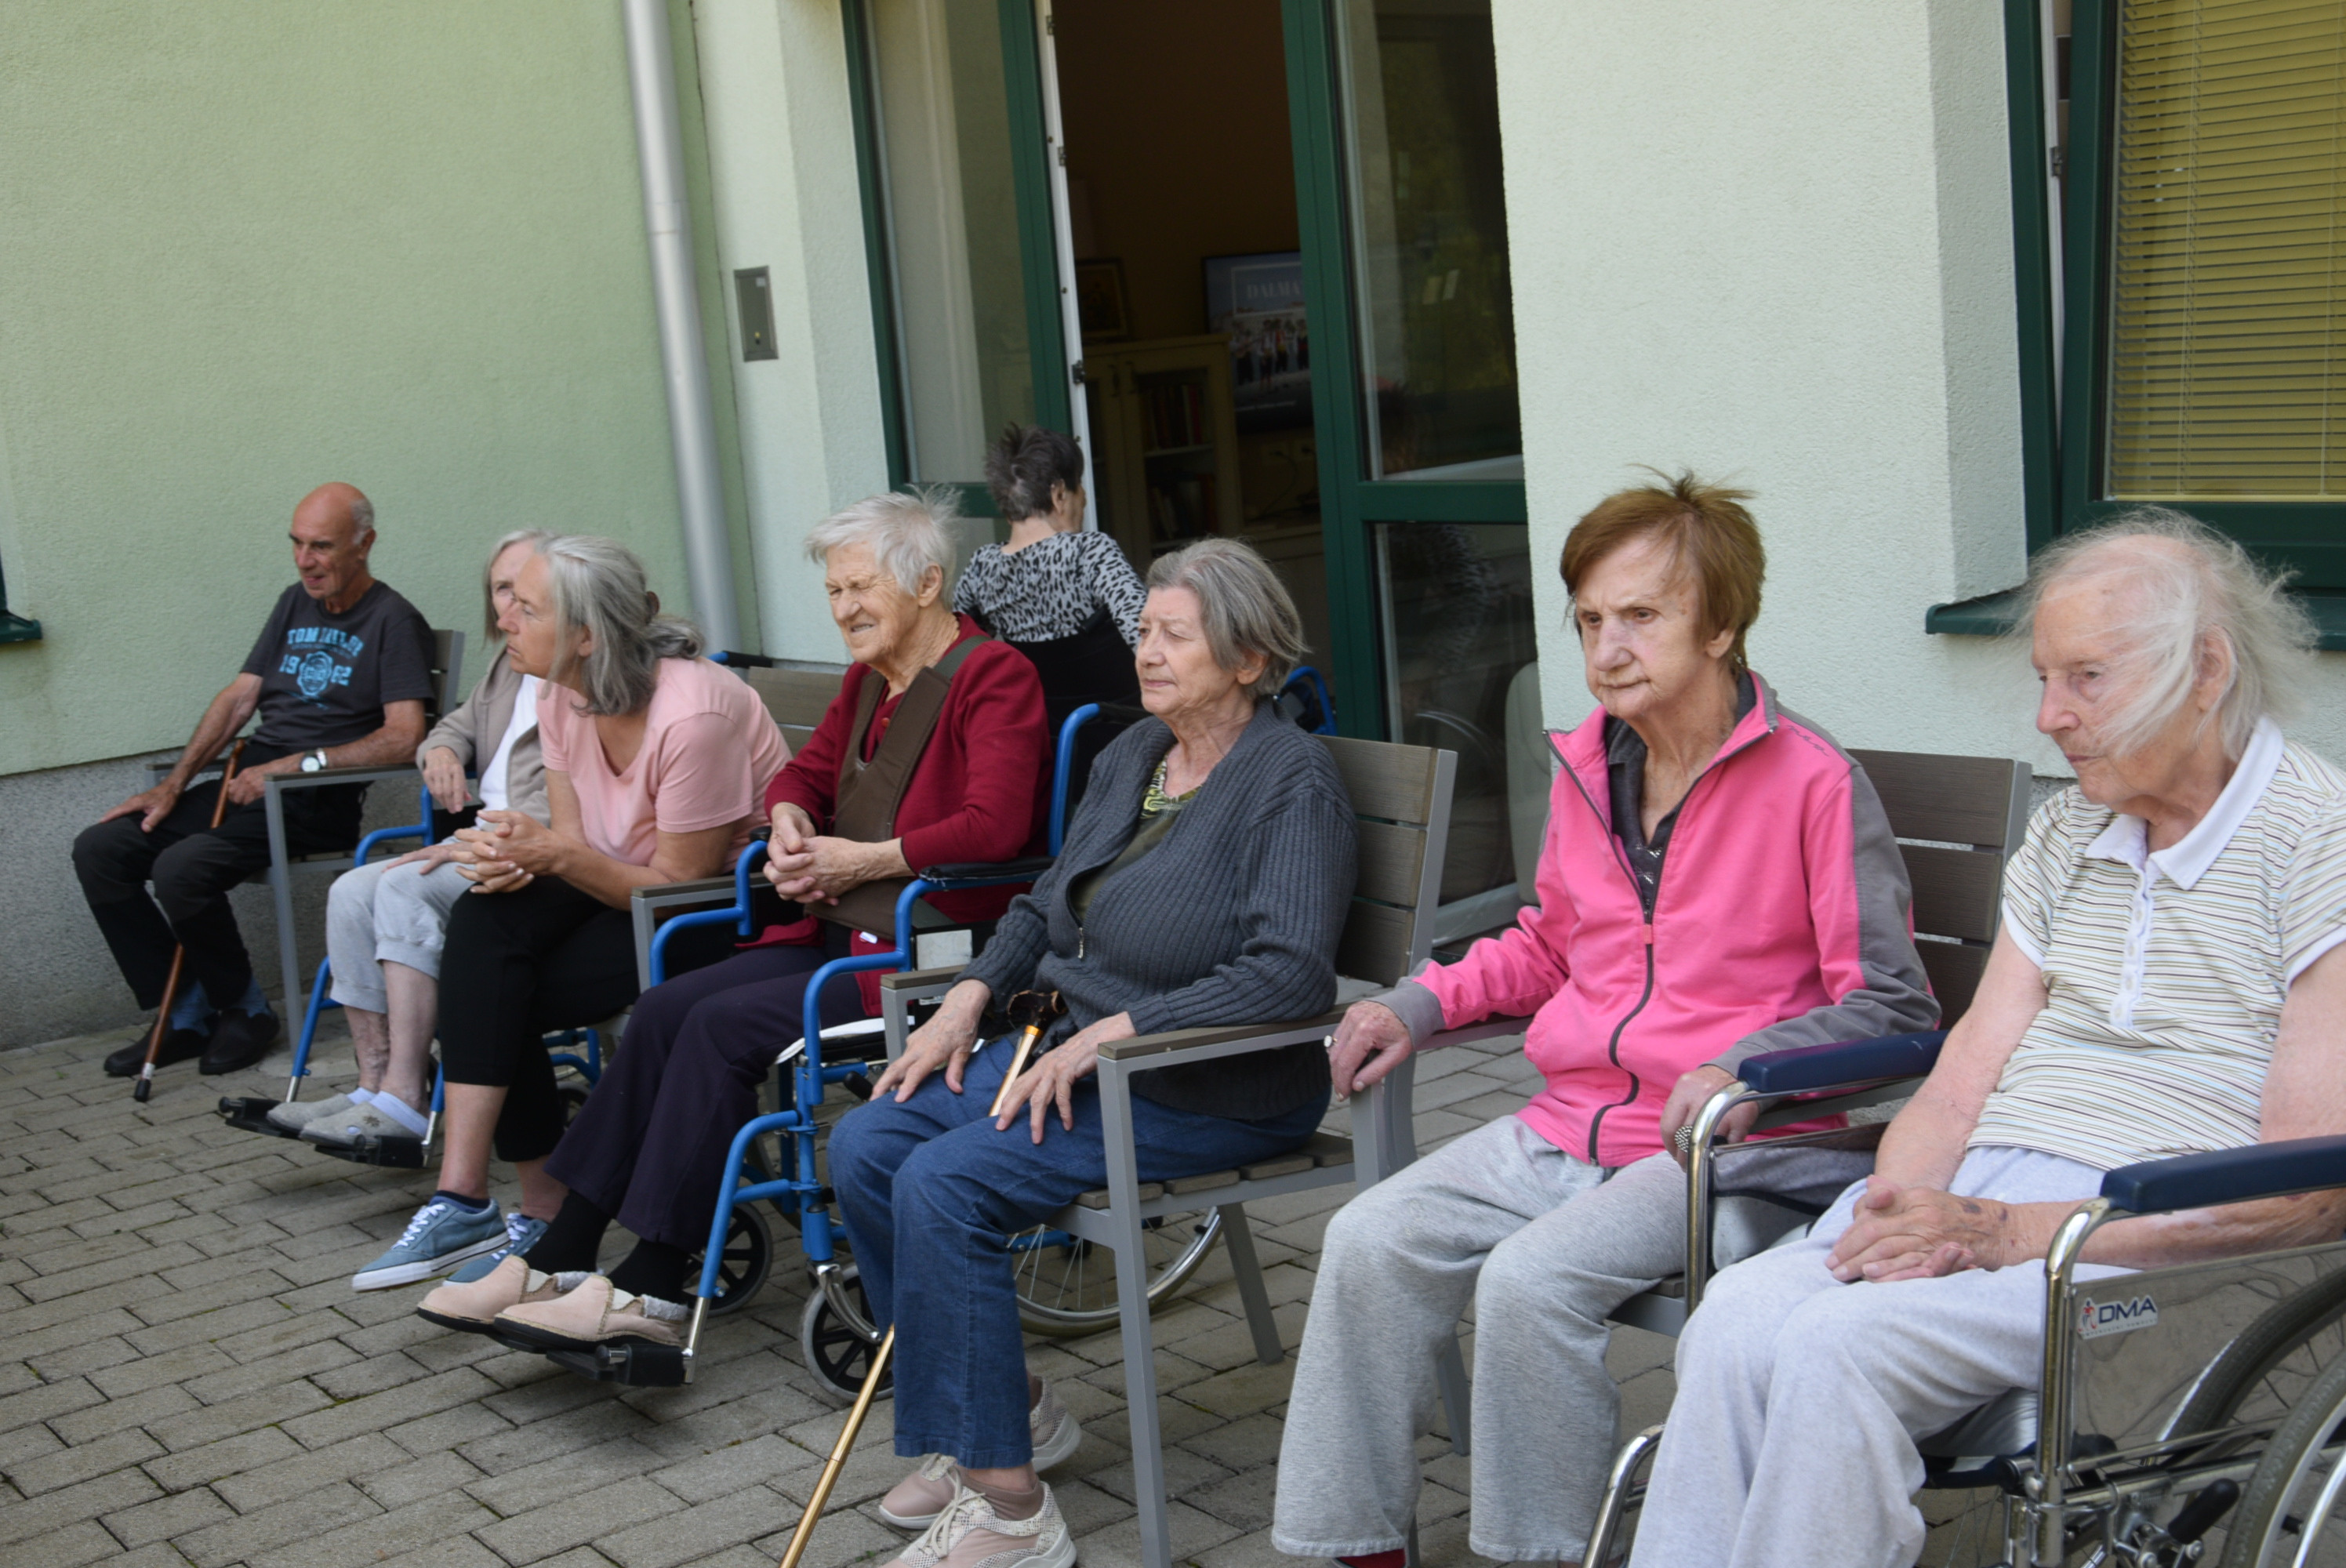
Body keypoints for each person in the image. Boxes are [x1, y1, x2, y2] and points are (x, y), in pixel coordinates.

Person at [1629, 510, 2346, 1568]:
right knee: (1733, 1316)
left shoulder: (2321, 842)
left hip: (2145, 1235)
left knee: (1833, 1347)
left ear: (2205, 669)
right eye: (2045, 678)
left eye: (2086, 678)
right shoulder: (2068, 832)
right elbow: (1962, 1080)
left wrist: (2007, 1231)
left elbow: (2305, 1191)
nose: (2050, 715)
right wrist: (1900, 1211)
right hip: (1987, 1196)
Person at [1271, 472, 1938, 1568]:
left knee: (1529, 1281)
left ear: (1720, 626)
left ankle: (1539, 1552)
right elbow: (1552, 943)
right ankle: (1356, 1543)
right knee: (1368, 1238)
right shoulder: (1590, 764)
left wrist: (1743, 1066)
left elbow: (1893, 1000)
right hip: (1570, 1121)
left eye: (1640, 615)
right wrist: (1420, 1000)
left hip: (1726, 1148)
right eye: (1589, 620)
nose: (1607, 647)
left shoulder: (1813, 783)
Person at [804, 537, 1354, 1568]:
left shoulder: (1290, 780)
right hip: (1073, 1052)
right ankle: (1003, 1412)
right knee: (870, 1143)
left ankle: (1012, 1512)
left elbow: (1290, 975)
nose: (1145, 652)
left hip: (1207, 1082)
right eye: (1143, 630)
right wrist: (970, 995)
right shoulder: (1135, 755)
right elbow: (1044, 903)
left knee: (945, 1182)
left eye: (1174, 636)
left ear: (1247, 659)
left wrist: (1119, 1030)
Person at [416, 491, 1053, 1338]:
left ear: (928, 583)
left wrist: (860, 859)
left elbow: (994, 827)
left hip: (922, 952)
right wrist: (790, 818)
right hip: (835, 930)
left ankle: (652, 1281)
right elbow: (802, 774)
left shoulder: (994, 675)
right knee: (666, 1008)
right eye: (834, 591)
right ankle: (558, 1251)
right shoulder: (870, 681)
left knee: (718, 1027)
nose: (844, 609)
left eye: (861, 587)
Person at [348, 535, 787, 1291]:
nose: (504, 621)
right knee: (485, 922)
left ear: (587, 636)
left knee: (497, 990)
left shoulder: (694, 715)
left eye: (527, 608)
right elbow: (576, 843)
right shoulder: (558, 689)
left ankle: (537, 1210)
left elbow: (677, 885)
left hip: (723, 907)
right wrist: (517, 855)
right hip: (624, 888)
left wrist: (549, 856)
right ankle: (469, 1198)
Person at [77, 483, 435, 1080]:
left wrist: (296, 766)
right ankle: (184, 1012)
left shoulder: (393, 620)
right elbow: (241, 698)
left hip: (312, 799)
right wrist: (175, 784)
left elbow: (404, 736)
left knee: (181, 868)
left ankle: (245, 1010)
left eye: (321, 547)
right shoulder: (294, 603)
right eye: (297, 544)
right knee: (103, 849)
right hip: (250, 782)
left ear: (364, 543)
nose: (304, 561)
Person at [263, 530, 555, 1151]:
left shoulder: (574, 674)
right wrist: (443, 751)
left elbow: (575, 798)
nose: (508, 607)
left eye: (522, 592)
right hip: (481, 836)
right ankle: (374, 1084)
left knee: (403, 887)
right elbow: (449, 727)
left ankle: (406, 1099)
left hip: (524, 850)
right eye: (500, 589)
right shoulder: (509, 666)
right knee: (350, 892)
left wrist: (469, 842)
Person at [956, 424, 1147, 733]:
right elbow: (1148, 639)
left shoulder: (982, 569)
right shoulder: (1090, 552)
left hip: (1049, 744)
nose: (1084, 498)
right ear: (1059, 494)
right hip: (1128, 735)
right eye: (1079, 486)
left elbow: (957, 654)